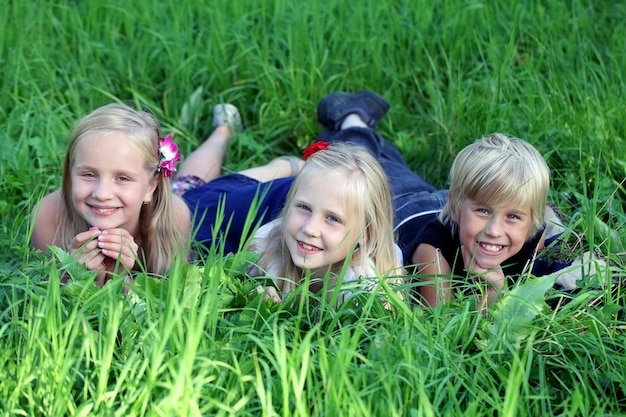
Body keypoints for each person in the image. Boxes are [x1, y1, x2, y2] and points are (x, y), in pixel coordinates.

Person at [31, 103, 191, 286]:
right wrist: (77, 277)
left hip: (186, 200)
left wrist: (120, 278)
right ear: (70, 172)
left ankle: (222, 131)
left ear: (150, 186)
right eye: (89, 174)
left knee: (190, 182)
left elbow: (167, 304)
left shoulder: (175, 218)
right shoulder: (47, 216)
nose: (102, 194)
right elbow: (49, 298)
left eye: (122, 178)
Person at [399, 133, 557, 309]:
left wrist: (493, 291)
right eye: (484, 211)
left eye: (512, 216)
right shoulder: (432, 252)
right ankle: (361, 124)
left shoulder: (534, 238)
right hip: (408, 209)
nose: (494, 231)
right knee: (393, 173)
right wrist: (491, 294)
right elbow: (441, 322)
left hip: (465, 204)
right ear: (454, 208)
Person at [247, 141, 404, 304]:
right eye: (304, 207)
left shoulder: (363, 288)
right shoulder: (263, 247)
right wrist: (253, 295)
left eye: (333, 218)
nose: (310, 229)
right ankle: (284, 165)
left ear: (366, 234)